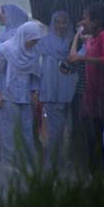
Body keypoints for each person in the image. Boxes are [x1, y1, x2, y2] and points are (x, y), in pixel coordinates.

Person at [68, 2, 104, 173]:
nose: (82, 21)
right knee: (93, 146)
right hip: (93, 102)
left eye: (85, 18)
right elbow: (72, 57)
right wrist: (77, 36)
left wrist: (82, 59)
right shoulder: (91, 41)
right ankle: (98, 184)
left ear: (95, 22)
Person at [0, 21, 43, 170]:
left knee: (27, 132)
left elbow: (35, 73)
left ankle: (27, 165)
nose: (32, 44)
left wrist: (35, 90)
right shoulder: (6, 49)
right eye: (31, 41)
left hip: (26, 97)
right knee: (8, 131)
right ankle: (9, 164)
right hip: (9, 95)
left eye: (35, 41)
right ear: (24, 36)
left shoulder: (33, 52)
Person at [37, 10, 77, 172]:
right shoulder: (44, 42)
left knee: (70, 131)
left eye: (64, 22)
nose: (61, 26)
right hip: (51, 93)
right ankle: (52, 165)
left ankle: (64, 163)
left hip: (70, 93)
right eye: (57, 22)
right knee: (55, 132)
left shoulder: (72, 43)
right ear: (52, 24)